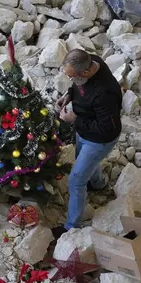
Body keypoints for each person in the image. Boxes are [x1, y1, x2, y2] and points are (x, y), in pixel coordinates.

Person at [52, 49, 123, 238]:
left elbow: (106, 128)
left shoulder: (105, 94)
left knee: (76, 180)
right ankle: (98, 184)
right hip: (84, 131)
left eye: (71, 76)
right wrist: (68, 95)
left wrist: (74, 119)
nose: (69, 78)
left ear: (84, 73)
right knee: (85, 160)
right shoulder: (92, 62)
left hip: (100, 140)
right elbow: (78, 88)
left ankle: (71, 226)